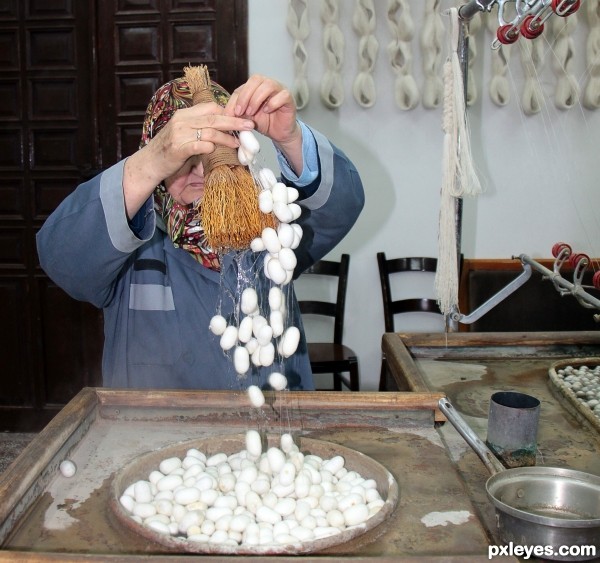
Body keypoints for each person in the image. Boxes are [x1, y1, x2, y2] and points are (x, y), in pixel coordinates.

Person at [36, 72, 364, 391]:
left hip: (270, 439)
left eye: (212, 155)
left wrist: (291, 138)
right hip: (153, 439)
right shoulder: (129, 240)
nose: (197, 172)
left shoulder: (266, 228)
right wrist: (148, 163)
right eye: (181, 158)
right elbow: (63, 259)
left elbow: (340, 208)